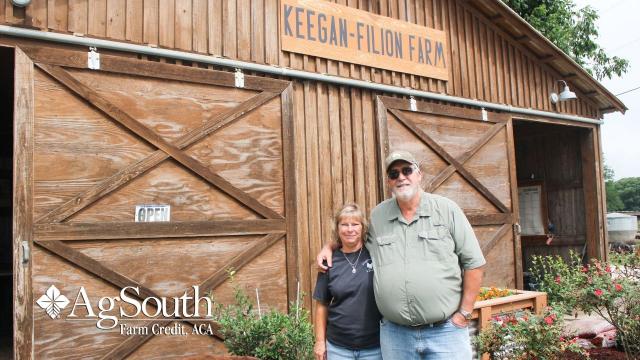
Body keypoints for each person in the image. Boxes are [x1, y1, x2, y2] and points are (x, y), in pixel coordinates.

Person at [317, 150, 485, 360]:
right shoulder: (379, 216)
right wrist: (329, 246)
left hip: (445, 333)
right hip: (396, 336)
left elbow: (474, 263)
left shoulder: (446, 209)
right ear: (388, 181)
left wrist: (464, 314)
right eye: (394, 174)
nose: (401, 177)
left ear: (419, 174)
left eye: (407, 170)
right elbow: (355, 241)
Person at [313, 204, 382, 360]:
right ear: (337, 229)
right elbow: (321, 305)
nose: (350, 229)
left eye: (355, 224)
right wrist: (319, 342)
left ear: (363, 228)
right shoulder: (329, 261)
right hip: (338, 347)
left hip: (374, 346)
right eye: (344, 224)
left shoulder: (375, 254)